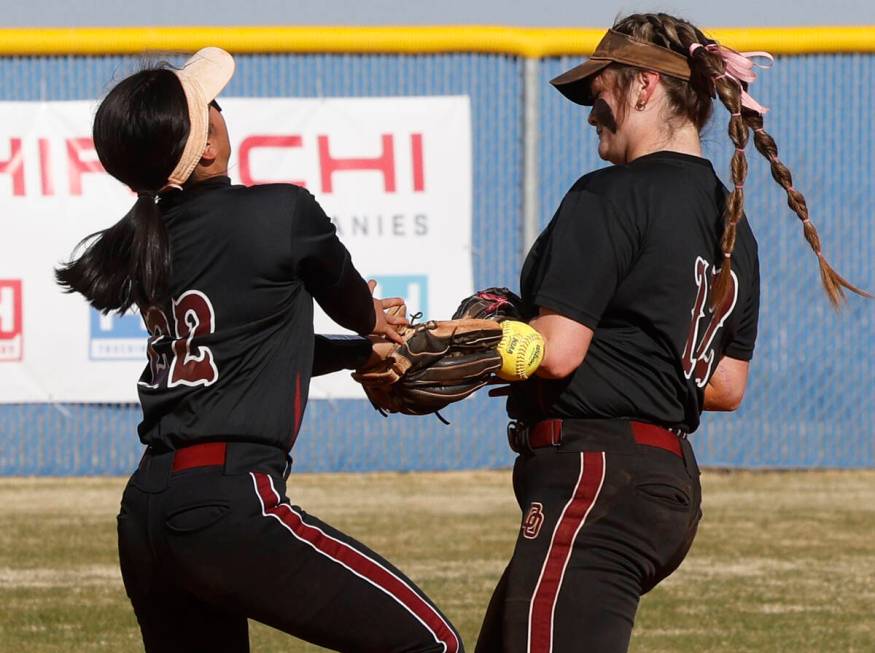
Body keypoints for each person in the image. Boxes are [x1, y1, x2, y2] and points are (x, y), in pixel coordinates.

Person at [474, 13, 867, 653]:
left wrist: (464, 341)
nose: (591, 110)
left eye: (600, 90)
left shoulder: (610, 196)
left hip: (593, 477)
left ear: (646, 86)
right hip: (665, 484)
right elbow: (725, 384)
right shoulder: (732, 223)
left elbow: (555, 351)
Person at [56, 47, 462, 653]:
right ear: (208, 146)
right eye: (210, 105)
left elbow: (260, 346)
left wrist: (357, 353)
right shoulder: (281, 211)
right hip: (230, 502)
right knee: (432, 643)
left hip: (146, 512)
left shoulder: (146, 246)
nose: (221, 110)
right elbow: (353, 303)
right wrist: (376, 327)